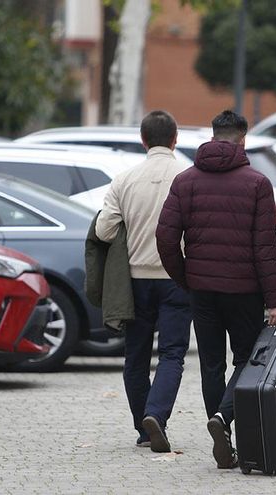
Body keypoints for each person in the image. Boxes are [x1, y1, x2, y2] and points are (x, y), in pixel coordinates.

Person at [156, 110, 276, 469]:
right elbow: (265, 248)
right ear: (242, 139)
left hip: (202, 291)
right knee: (246, 359)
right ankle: (224, 419)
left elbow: (166, 238)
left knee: (211, 364)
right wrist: (275, 299)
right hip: (245, 292)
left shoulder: (185, 181)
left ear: (213, 137)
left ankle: (220, 428)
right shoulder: (258, 184)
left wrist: (186, 278)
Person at [95, 110, 192, 453]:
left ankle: (143, 427)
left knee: (135, 357)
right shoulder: (187, 176)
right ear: (175, 139)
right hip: (176, 278)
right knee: (172, 354)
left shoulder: (124, 179)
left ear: (143, 140)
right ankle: (157, 416)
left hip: (134, 280)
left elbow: (103, 230)